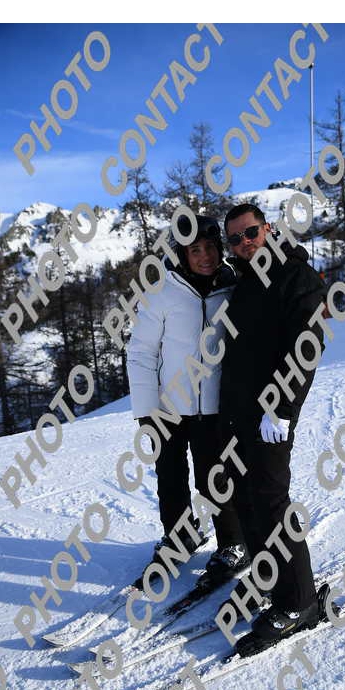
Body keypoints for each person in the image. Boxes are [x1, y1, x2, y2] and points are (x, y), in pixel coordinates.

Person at [218, 203, 329, 652]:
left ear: (267, 228)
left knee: (270, 500)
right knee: (245, 498)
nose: (244, 243)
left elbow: (307, 346)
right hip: (239, 413)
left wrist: (281, 409)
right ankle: (268, 576)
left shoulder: (295, 275)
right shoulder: (245, 280)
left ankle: (300, 601)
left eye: (250, 233)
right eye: (235, 239)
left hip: (270, 415)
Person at [126, 214, 249, 585]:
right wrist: (146, 410)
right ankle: (180, 536)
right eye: (195, 250)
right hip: (168, 406)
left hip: (214, 407)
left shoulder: (233, 287)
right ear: (182, 255)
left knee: (216, 478)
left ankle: (233, 543)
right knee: (171, 478)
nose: (205, 256)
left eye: (210, 247)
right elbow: (142, 352)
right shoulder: (162, 292)